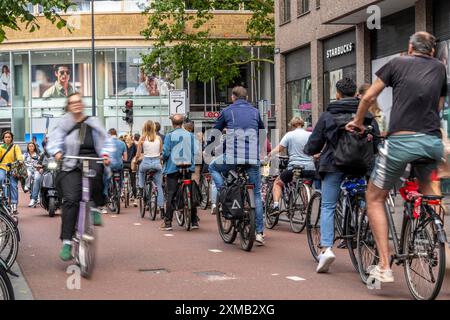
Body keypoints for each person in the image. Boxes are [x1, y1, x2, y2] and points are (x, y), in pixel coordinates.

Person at [346, 32, 448, 284]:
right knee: (432, 195)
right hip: (432, 142)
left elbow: (369, 97)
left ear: (409, 47)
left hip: (401, 141)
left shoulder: (398, 63)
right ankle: (436, 237)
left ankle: (383, 265)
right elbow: (438, 106)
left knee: (374, 197)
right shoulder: (440, 69)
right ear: (432, 51)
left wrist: (358, 121)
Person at [304, 78, 380, 273]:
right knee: (366, 203)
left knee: (328, 205)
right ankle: (367, 234)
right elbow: (376, 142)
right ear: (355, 93)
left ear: (337, 94)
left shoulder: (328, 114)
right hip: (360, 165)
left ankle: (326, 248)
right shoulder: (367, 114)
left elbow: (315, 142)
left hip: (334, 164)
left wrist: (309, 151)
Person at [46, 92, 114, 261]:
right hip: (71, 163)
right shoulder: (63, 124)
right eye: (72, 102)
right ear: (68, 106)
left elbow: (107, 141)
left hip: (92, 158)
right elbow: (54, 141)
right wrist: (57, 153)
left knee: (98, 174)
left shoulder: (93, 122)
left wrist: (105, 155)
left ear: (82, 104)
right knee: (71, 199)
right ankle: (67, 242)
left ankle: (96, 207)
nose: (76, 104)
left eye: (79, 101)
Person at [207, 86, 266, 245]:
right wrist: (259, 151)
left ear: (233, 97)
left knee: (212, 167)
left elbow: (215, 132)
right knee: (257, 194)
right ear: (246, 97)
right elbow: (262, 131)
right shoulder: (255, 112)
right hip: (253, 158)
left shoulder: (227, 111)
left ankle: (223, 192)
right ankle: (260, 233)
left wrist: (209, 147)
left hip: (233, 156)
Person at [269, 117, 315, 212]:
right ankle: (307, 206)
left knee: (278, 183)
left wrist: (269, 155)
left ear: (292, 125)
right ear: (303, 124)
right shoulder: (310, 135)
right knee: (304, 181)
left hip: (295, 168)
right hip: (310, 168)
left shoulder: (289, 135)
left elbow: (279, 149)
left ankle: (276, 206)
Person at [161, 114, 198, 231]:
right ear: (182, 123)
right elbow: (196, 151)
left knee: (171, 193)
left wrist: (163, 158)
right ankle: (194, 221)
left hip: (173, 167)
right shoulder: (190, 135)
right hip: (187, 166)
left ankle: (168, 222)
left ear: (173, 124)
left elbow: (166, 152)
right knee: (190, 191)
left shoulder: (169, 135)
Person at [137, 120, 164, 216]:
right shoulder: (159, 138)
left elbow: (138, 153)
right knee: (159, 186)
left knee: (140, 172)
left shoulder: (142, 138)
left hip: (146, 163)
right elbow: (160, 152)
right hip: (157, 164)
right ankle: (161, 207)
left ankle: (140, 188)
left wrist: (136, 159)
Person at [103, 128, 127, 214]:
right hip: (119, 166)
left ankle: (105, 203)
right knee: (120, 177)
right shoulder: (122, 143)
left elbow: (104, 156)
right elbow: (125, 158)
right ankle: (120, 190)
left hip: (109, 166)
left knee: (105, 182)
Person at [0, 131, 23, 214]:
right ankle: (3, 200)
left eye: (9, 137)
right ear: (3, 138)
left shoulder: (15, 147)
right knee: (1, 179)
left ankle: (14, 205)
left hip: (13, 168)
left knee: (13, 185)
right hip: (2, 167)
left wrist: (20, 160)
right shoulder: (1, 147)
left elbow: (19, 155)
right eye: (5, 137)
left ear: (12, 138)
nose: (7, 138)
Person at [23, 142, 42, 207]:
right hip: (28, 168)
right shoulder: (25, 154)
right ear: (28, 147)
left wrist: (40, 167)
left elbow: (41, 162)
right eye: (29, 146)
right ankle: (27, 186)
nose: (31, 147)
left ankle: (38, 197)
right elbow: (22, 161)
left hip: (36, 169)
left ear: (34, 147)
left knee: (37, 179)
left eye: (32, 146)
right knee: (28, 174)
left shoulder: (38, 155)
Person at [124, 134, 138, 207]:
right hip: (132, 165)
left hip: (124, 165)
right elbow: (136, 155)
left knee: (121, 177)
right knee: (133, 182)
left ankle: (121, 192)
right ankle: (135, 199)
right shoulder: (134, 146)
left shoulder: (123, 145)